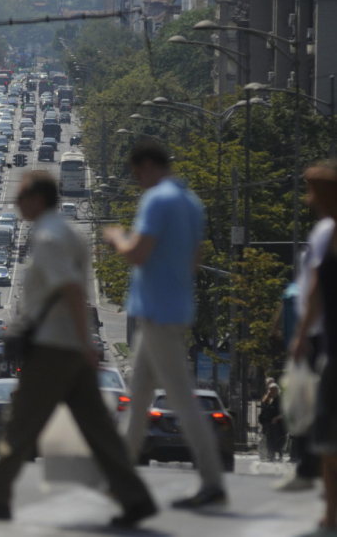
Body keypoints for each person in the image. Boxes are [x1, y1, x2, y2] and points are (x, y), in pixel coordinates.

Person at [0, 170, 157, 528]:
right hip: (70, 349)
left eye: (21, 197)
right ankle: (135, 497)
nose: (16, 204)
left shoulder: (49, 237)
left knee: (20, 424)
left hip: (52, 348)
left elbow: (72, 290)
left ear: (37, 199)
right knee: (98, 429)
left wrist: (85, 343)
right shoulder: (69, 231)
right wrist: (83, 345)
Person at [103, 140, 227, 509]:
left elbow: (137, 253)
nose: (138, 181)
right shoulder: (191, 202)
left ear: (146, 166)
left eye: (137, 174)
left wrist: (116, 237)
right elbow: (195, 258)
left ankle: (212, 480)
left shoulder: (157, 200)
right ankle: (120, 477)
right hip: (174, 308)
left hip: (158, 312)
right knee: (139, 397)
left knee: (181, 399)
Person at [292, 162, 337, 537]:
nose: (308, 201)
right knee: (325, 433)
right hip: (330, 348)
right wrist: (301, 334)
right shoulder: (327, 233)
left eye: (313, 192)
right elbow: (316, 292)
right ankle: (330, 513)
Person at [259, 383, 285, 461]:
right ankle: (271, 456)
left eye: (274, 389)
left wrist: (277, 418)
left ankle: (280, 456)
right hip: (269, 424)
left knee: (277, 440)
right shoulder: (268, 400)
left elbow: (284, 412)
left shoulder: (280, 400)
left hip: (278, 424)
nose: (272, 391)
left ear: (277, 390)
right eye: (270, 389)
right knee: (270, 440)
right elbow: (264, 407)